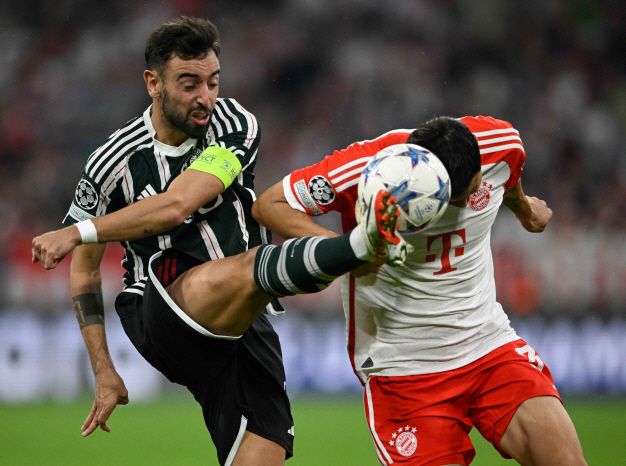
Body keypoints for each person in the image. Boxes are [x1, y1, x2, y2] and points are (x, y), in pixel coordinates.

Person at [30, 17, 407, 466]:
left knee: (264, 453)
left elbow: (177, 204)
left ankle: (349, 254)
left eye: (212, 82)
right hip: (162, 310)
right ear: (153, 83)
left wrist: (75, 231)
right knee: (256, 265)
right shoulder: (111, 162)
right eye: (189, 84)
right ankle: (360, 246)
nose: (204, 97)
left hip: (243, 318)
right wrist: (103, 368)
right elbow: (86, 269)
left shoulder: (234, 123)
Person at [252, 116, 588, 466]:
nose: (463, 205)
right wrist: (347, 252)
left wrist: (523, 209)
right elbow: (269, 206)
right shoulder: (367, 167)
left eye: (469, 194)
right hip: (403, 367)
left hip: (488, 344)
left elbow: (510, 175)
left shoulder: (501, 144)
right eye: (450, 201)